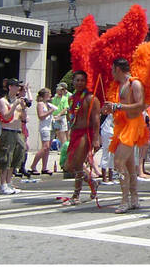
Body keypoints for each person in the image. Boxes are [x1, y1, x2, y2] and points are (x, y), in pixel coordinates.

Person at [103, 58, 149, 214]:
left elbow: (141, 105)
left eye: (112, 69)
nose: (111, 72)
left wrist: (117, 106)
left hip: (133, 126)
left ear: (117, 69)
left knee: (118, 161)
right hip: (121, 126)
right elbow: (120, 107)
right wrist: (111, 109)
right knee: (129, 165)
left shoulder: (134, 84)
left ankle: (124, 200)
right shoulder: (118, 86)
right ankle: (134, 198)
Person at [62, 71, 101, 206]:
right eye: (77, 80)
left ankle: (76, 195)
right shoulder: (71, 98)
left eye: (82, 80)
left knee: (77, 164)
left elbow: (96, 120)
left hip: (86, 134)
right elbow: (71, 117)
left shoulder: (91, 99)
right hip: (75, 133)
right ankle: (92, 182)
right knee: (68, 166)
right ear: (73, 82)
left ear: (86, 82)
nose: (79, 83)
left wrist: (96, 139)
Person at [0, 78, 27, 194]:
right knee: (6, 157)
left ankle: (9, 182)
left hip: (18, 131)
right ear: (10, 87)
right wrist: (15, 105)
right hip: (7, 131)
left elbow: (24, 119)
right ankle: (3, 184)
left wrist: (23, 108)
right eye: (16, 86)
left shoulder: (19, 101)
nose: (18, 88)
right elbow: (5, 116)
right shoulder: (3, 101)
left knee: (17, 156)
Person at [29, 88, 57, 176]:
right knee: (45, 147)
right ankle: (33, 166)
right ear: (44, 95)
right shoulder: (40, 104)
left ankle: (44, 167)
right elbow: (41, 116)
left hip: (50, 127)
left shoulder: (48, 104)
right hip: (44, 128)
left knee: (48, 148)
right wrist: (50, 111)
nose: (50, 95)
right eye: (49, 93)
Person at [100, 113, 115, 185]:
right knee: (106, 153)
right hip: (107, 131)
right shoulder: (107, 106)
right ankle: (104, 178)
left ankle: (111, 177)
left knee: (112, 154)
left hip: (114, 130)